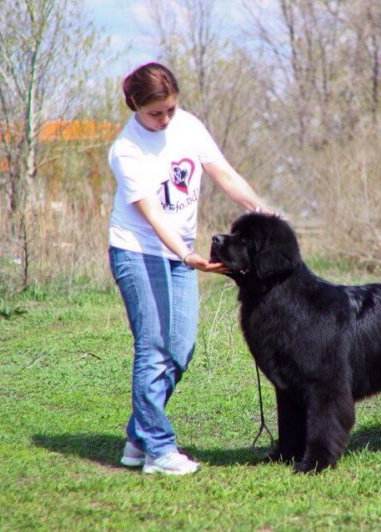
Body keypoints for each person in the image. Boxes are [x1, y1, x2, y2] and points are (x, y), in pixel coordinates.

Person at [107, 62, 267, 475]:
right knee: (153, 346)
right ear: (134, 106)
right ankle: (159, 452)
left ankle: (138, 436)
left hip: (180, 253)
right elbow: (152, 217)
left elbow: (224, 174)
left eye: (170, 110)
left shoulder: (189, 127)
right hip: (139, 252)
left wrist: (261, 209)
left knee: (180, 349)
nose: (164, 120)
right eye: (155, 113)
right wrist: (186, 254)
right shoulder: (126, 150)